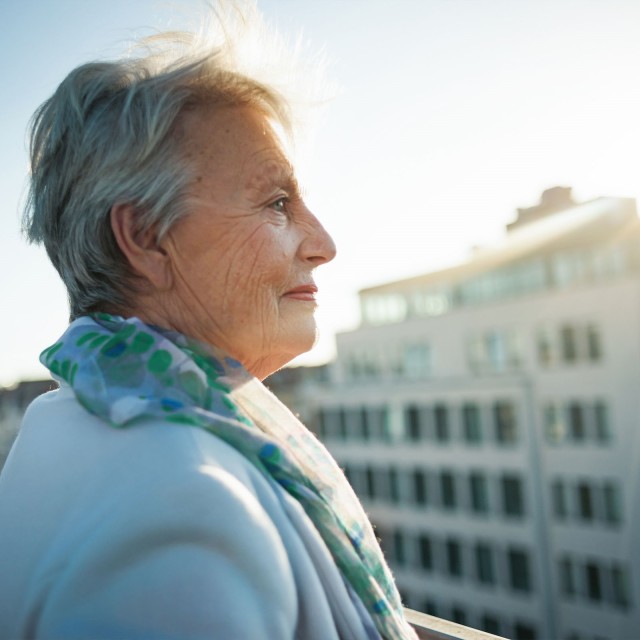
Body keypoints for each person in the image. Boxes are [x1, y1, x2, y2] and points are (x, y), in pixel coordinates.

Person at [0, 4, 418, 640]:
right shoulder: (185, 512)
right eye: (277, 203)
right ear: (146, 236)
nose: (323, 242)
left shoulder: (61, 421)